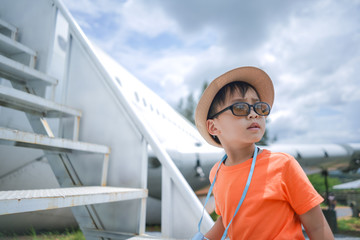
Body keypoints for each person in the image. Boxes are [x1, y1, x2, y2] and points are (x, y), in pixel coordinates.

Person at [194, 66, 334, 239]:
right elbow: (227, 219)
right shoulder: (216, 173)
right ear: (213, 127)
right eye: (240, 107)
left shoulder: (283, 165)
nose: (253, 114)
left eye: (259, 107)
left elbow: (318, 227)